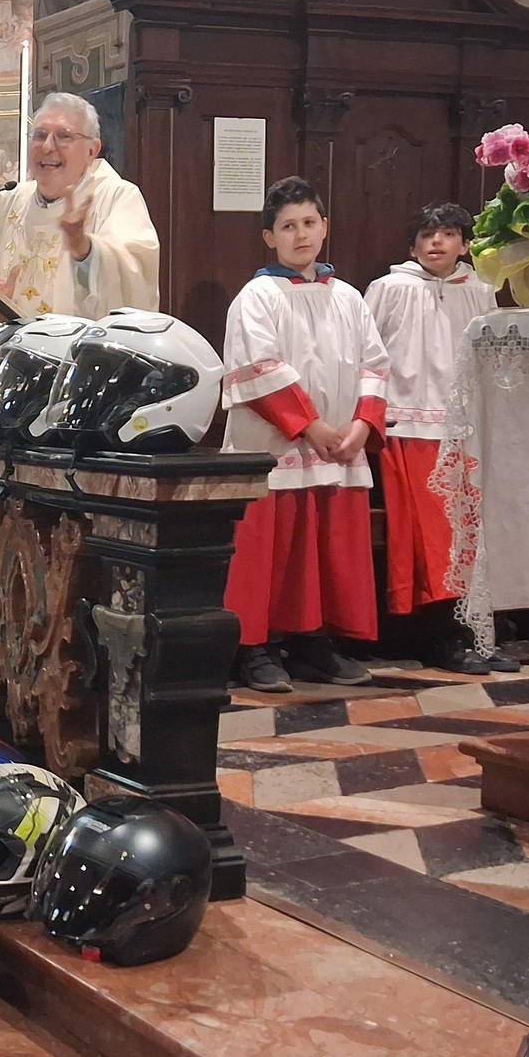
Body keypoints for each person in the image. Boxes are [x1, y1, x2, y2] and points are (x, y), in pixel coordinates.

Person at [220, 177, 388, 692]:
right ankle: (255, 649)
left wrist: (362, 424)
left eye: (309, 223)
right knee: (269, 554)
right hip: (276, 448)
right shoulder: (257, 297)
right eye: (288, 226)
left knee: (323, 550)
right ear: (269, 237)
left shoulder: (349, 297)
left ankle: (314, 643)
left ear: (325, 227)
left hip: (338, 448)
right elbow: (259, 369)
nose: (301, 235)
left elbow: (375, 365)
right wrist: (310, 426)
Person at [364, 202, 513, 675]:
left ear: (465, 244)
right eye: (427, 234)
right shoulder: (389, 289)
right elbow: (366, 355)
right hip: (408, 428)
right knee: (430, 537)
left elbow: (492, 359)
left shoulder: (480, 291)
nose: (436, 242)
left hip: (466, 429)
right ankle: (439, 635)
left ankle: (475, 631)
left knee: (472, 534)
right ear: (412, 246)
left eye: (447, 233)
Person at [0, 91, 159, 318]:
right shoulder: (3, 204)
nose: (47, 146)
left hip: (82, 341)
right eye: (40, 135)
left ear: (91, 151)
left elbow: (134, 282)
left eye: (64, 136)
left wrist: (84, 250)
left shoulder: (117, 197)